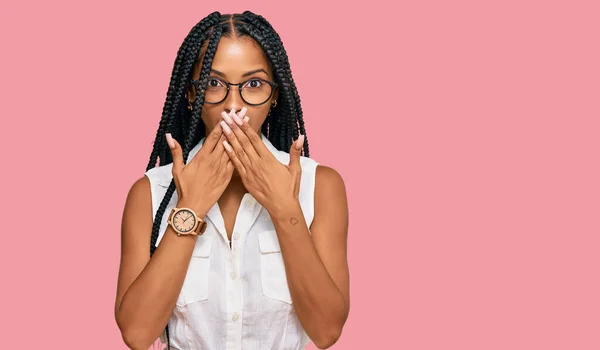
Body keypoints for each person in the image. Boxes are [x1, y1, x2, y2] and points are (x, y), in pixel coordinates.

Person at [115, 11, 350, 350]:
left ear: (275, 95)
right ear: (192, 95)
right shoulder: (150, 192)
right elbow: (136, 334)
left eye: (253, 84)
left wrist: (285, 209)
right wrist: (190, 207)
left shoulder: (321, 186)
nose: (233, 105)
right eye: (213, 84)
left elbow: (327, 332)